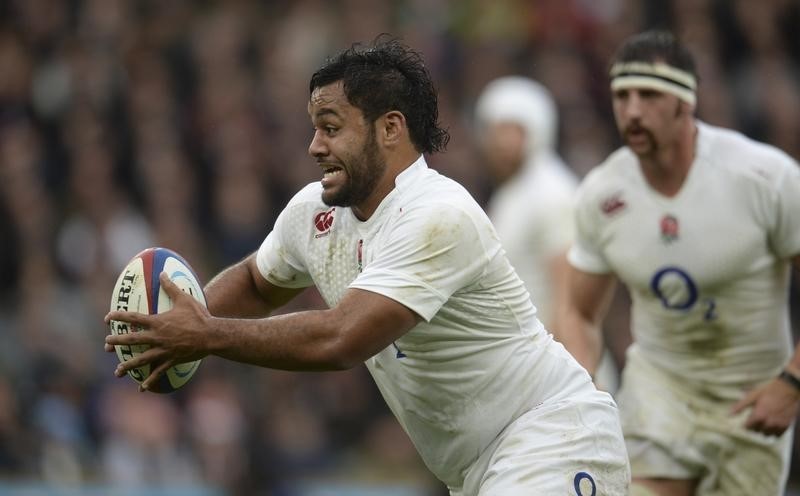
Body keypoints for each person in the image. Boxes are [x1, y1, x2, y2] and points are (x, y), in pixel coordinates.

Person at [105, 37, 630, 495]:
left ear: (390, 129)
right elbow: (256, 282)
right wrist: (172, 326)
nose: (314, 146)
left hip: (553, 437)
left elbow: (342, 340)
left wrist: (206, 336)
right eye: (314, 128)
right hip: (476, 467)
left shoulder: (439, 216)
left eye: (331, 128)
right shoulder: (314, 212)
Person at [557, 29, 800, 496]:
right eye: (621, 96)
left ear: (685, 103)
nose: (631, 111)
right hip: (661, 390)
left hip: (751, 396)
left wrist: (791, 383)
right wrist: (581, 385)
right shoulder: (603, 193)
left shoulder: (764, 178)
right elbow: (578, 310)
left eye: (648, 95)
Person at [473, 75, 619, 393]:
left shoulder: (552, 193)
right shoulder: (515, 194)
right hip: (531, 374)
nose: (498, 142)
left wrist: (577, 382)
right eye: (493, 129)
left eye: (509, 129)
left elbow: (569, 297)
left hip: (562, 374)